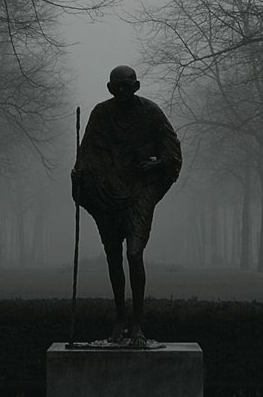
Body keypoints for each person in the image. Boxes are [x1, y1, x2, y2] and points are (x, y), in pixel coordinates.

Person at [70, 65, 182, 346]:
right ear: (110, 88)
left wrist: (157, 165)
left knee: (134, 253)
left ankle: (138, 325)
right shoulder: (101, 114)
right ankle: (120, 320)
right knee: (113, 255)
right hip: (108, 192)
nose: (121, 90)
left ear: (136, 86)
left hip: (138, 193)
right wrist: (79, 174)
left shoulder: (151, 112)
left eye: (126, 86)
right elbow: (87, 153)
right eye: (116, 86)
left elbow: (172, 151)